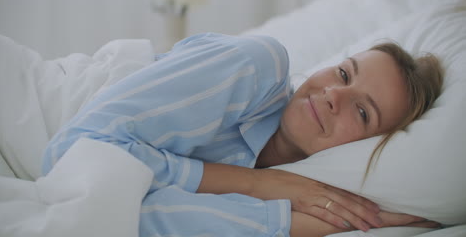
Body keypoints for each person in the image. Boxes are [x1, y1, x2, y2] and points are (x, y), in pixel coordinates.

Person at [41, 33, 443, 237]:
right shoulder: (257, 65)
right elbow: (72, 154)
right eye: (343, 72)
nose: (334, 94)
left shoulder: (295, 191)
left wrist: (314, 222)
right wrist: (256, 183)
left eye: (362, 111)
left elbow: (142, 219)